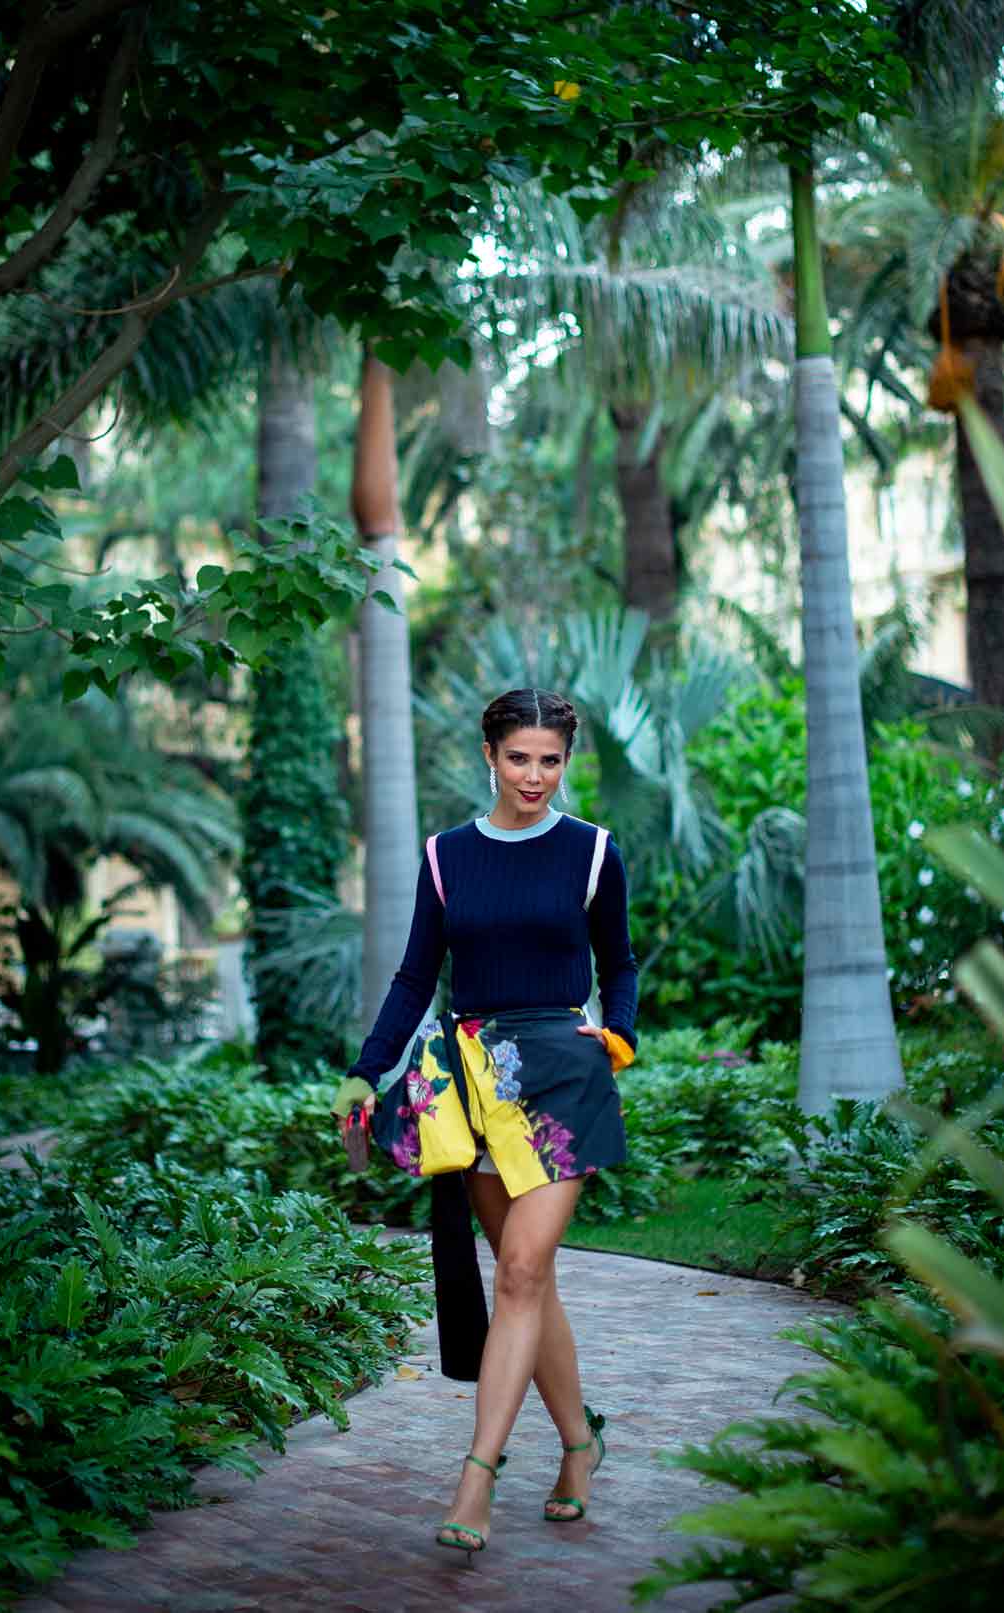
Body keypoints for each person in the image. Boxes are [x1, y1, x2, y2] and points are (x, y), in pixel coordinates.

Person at [331, 357, 639, 1560]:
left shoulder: (595, 847)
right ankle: (579, 1437)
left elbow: (619, 961)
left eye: (551, 759)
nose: (536, 775)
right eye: (520, 757)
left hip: (560, 1073)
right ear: (490, 753)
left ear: (565, 759)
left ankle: (475, 1478)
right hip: (467, 1078)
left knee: (519, 1268)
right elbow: (416, 975)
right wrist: (367, 1070)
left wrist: (616, 1031)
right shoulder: (450, 853)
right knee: (528, 1278)